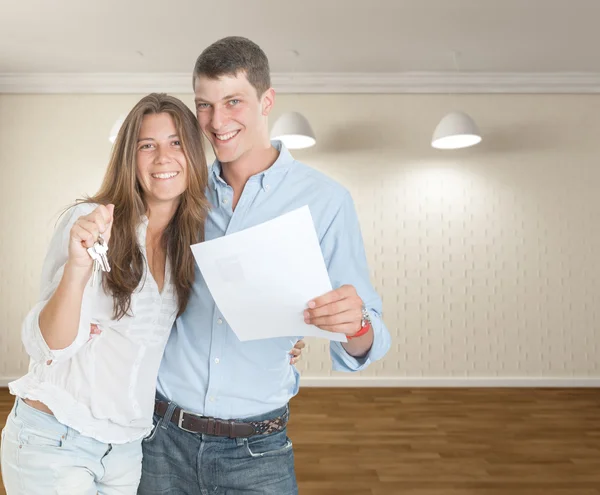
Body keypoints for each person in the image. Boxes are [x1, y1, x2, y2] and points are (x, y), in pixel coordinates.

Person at [0, 92, 306, 495]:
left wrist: (278, 334)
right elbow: (49, 346)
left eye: (176, 142)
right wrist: (77, 268)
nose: (163, 157)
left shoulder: (192, 243)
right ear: (131, 156)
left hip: (128, 450)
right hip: (57, 439)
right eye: (148, 145)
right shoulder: (90, 224)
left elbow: (201, 329)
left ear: (194, 154)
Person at [138, 36, 392, 495]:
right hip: (159, 440)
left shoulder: (326, 201)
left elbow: (367, 337)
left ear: (266, 101)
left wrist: (354, 326)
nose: (217, 122)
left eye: (233, 101)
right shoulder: (182, 194)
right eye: (205, 105)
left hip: (256, 452)